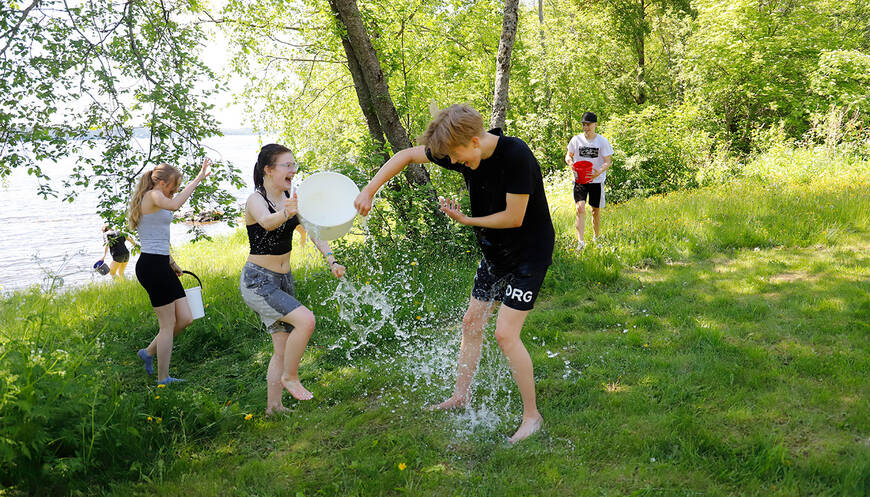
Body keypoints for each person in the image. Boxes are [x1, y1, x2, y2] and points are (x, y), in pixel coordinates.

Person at [354, 104, 554, 443]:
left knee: (505, 334)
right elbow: (405, 155)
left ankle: (532, 417)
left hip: (528, 254)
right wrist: (368, 190)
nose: (456, 163)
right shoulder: (457, 148)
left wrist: (467, 221)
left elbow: (513, 217)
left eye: (459, 157)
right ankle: (461, 396)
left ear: (475, 141)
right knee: (471, 323)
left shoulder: (515, 154)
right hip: (495, 252)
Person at [239, 144, 346, 415]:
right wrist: (287, 212)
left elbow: (313, 230)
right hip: (258, 282)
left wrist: (331, 259)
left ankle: (273, 407)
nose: (293, 169)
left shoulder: (291, 196)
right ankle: (290, 376)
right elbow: (266, 222)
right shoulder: (256, 199)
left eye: (293, 164)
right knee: (306, 320)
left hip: (283, 279)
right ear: (269, 169)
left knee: (281, 346)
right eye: (287, 165)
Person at [128, 159, 211, 385]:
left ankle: (147, 353)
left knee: (184, 318)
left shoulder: (158, 198)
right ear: (162, 183)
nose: (174, 190)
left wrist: (171, 262)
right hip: (151, 266)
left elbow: (156, 236)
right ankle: (163, 378)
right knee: (167, 325)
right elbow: (175, 206)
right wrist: (198, 179)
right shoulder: (154, 196)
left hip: (161, 263)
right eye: (173, 185)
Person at [565, 111, 613, 250]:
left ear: (595, 125)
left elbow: (608, 161)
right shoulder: (576, 140)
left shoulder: (602, 141)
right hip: (580, 179)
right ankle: (580, 243)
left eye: (589, 125)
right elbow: (569, 155)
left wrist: (599, 171)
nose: (586, 128)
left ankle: (596, 239)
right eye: (584, 125)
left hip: (596, 180)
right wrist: (569, 162)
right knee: (579, 208)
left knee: (595, 211)